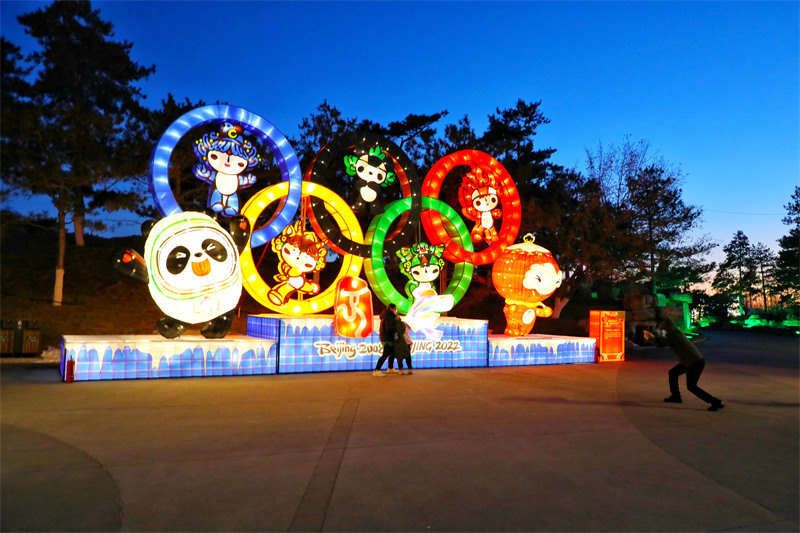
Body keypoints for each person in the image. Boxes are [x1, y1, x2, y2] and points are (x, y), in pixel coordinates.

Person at [643, 317, 725, 411]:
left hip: (693, 363)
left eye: (664, 330)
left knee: (692, 387)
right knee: (673, 373)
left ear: (667, 329)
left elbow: (659, 344)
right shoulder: (675, 333)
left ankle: (716, 402)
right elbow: (662, 340)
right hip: (690, 361)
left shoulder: (673, 337)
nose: (663, 331)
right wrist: (653, 337)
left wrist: (650, 338)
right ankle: (676, 396)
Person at [373, 304, 399, 376]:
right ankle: (376, 370)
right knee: (385, 354)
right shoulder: (388, 316)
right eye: (395, 309)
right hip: (387, 337)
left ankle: (390, 368)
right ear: (391, 308)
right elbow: (389, 328)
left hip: (388, 337)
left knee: (392, 353)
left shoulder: (388, 315)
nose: (396, 311)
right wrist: (396, 329)